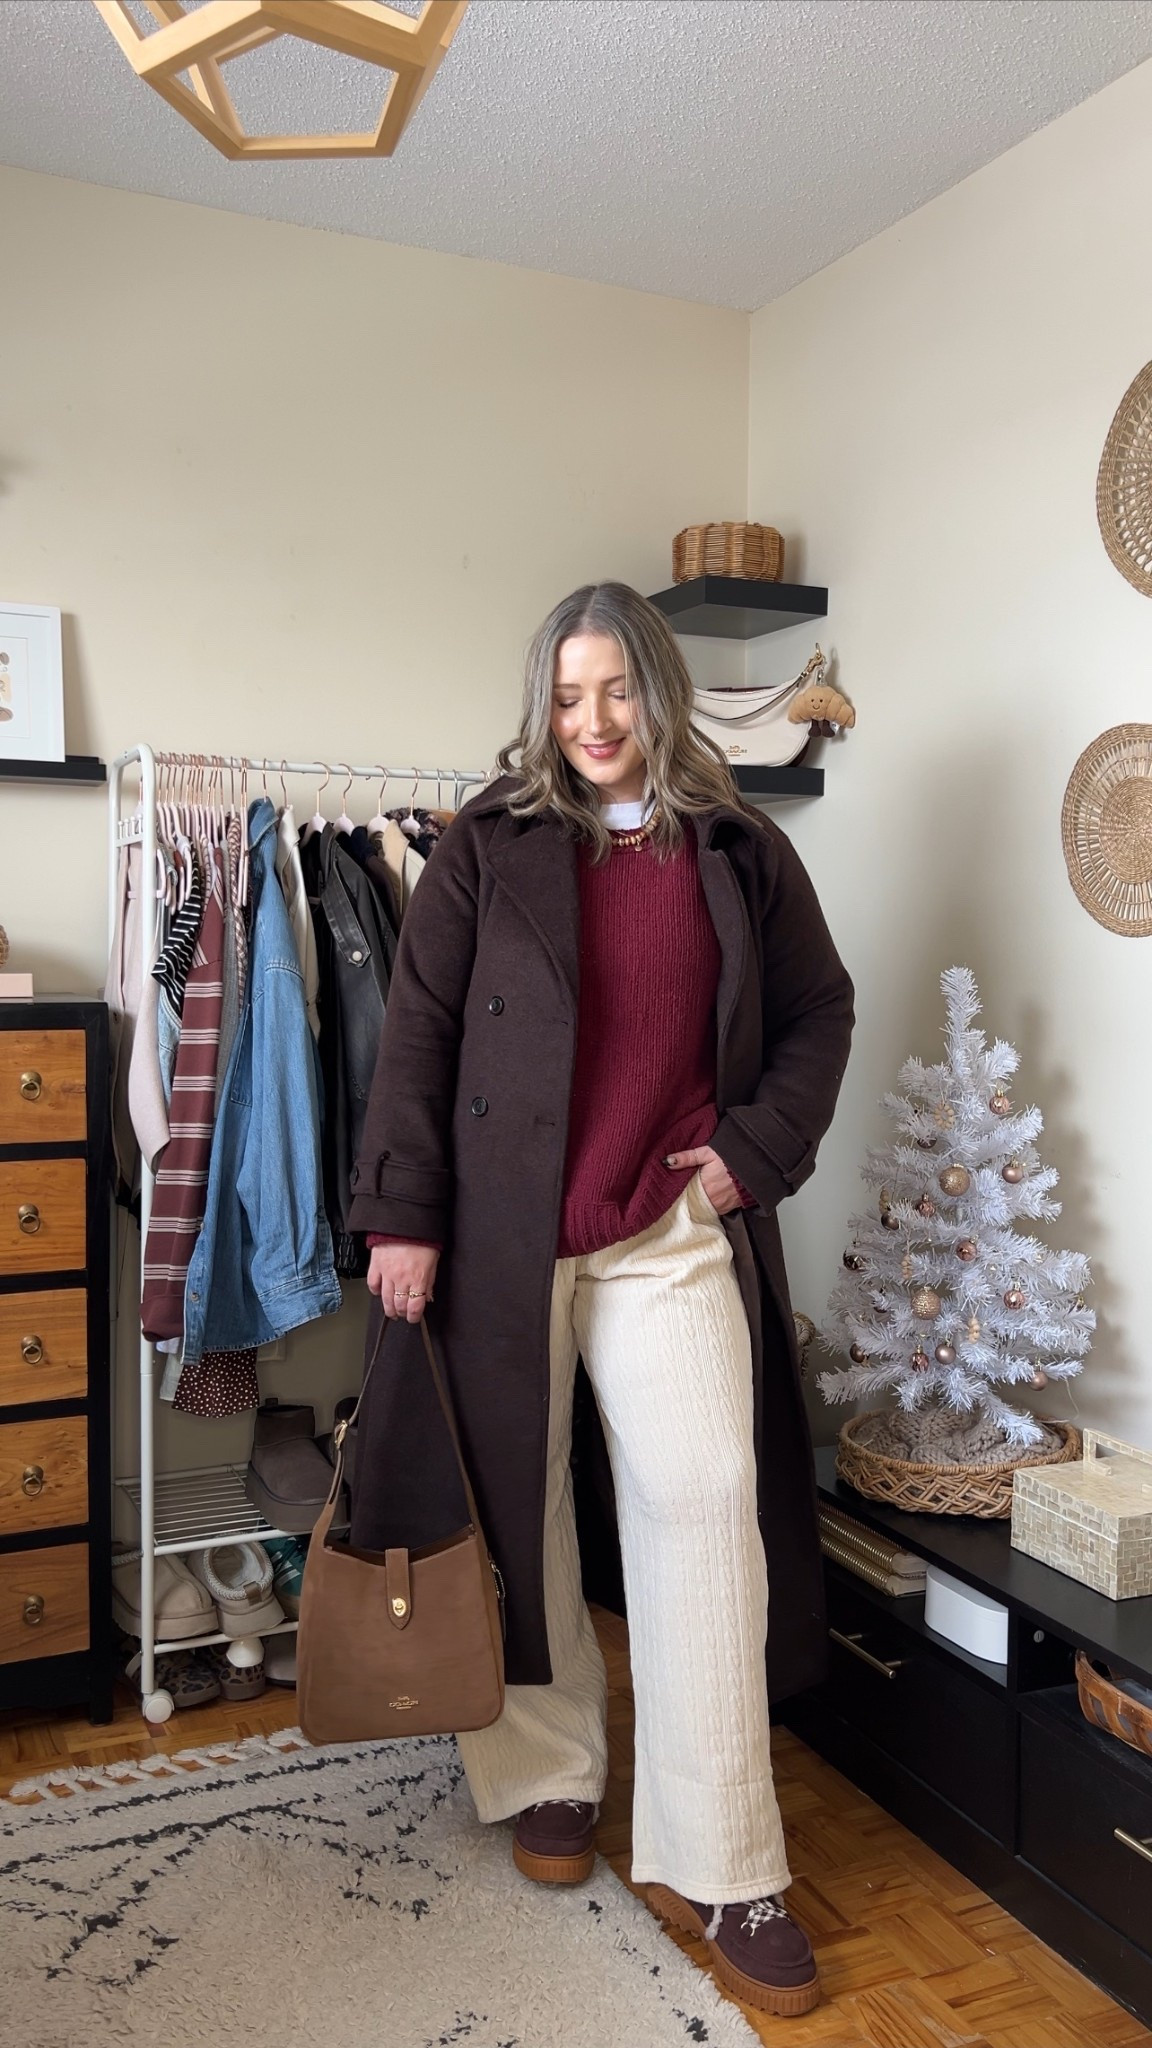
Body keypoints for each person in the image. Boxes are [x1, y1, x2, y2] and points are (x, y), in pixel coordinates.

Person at [347, 581, 854, 2018]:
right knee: (526, 1507)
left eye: (615, 692)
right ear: (542, 708)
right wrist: (401, 1213)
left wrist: (745, 1161)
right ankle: (551, 1780)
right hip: (504, 1236)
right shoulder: (487, 847)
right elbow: (420, 1034)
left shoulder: (742, 849)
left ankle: (730, 1860)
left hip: (665, 1229)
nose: (593, 725)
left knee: (704, 1507)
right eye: (567, 699)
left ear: (658, 690)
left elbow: (819, 1010)